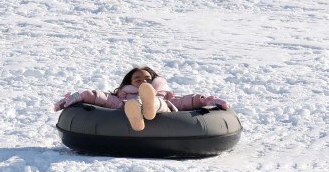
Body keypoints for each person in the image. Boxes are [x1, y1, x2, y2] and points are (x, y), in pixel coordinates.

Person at [53, 66, 231, 131]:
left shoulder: (165, 96)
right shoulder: (121, 97)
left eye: (147, 79)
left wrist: (208, 101)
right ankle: (136, 113)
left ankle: (148, 105)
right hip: (127, 106)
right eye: (138, 79)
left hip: (161, 105)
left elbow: (189, 101)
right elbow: (96, 97)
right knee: (128, 104)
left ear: (154, 81)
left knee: (158, 102)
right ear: (129, 83)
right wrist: (77, 97)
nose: (143, 81)